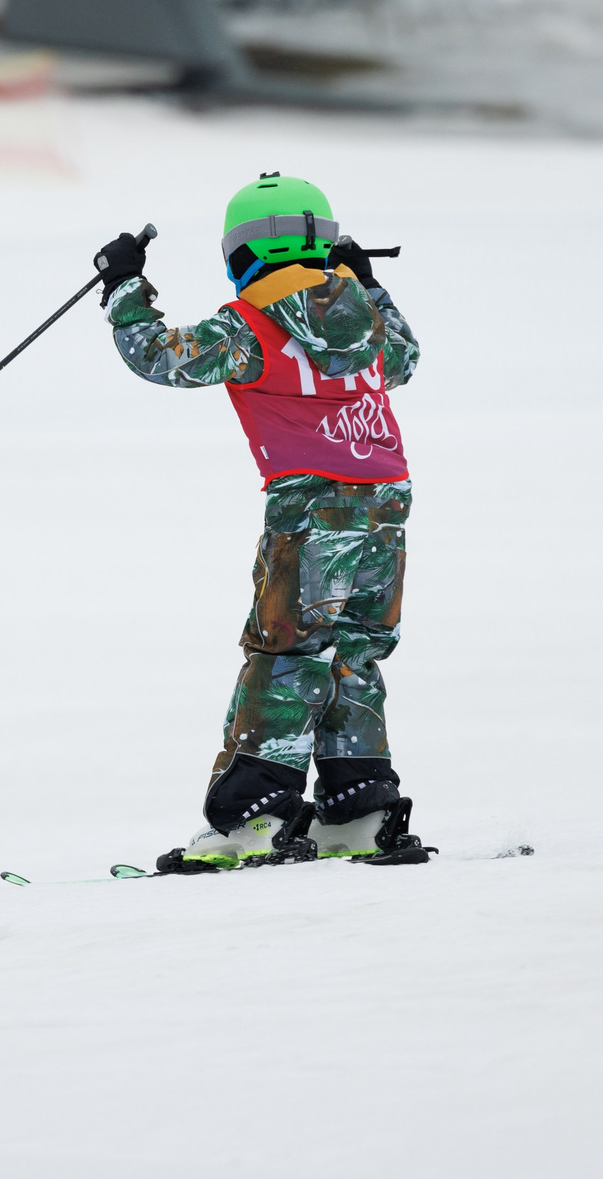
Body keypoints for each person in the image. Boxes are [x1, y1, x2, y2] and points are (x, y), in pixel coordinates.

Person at [94, 173, 430, 873]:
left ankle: (256, 816)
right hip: (385, 506)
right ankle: (359, 808)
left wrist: (125, 285)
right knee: (353, 653)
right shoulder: (366, 319)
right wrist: (367, 282)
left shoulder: (250, 324)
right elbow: (404, 357)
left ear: (242, 254)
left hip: (312, 508)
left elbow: (159, 357)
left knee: (287, 651)